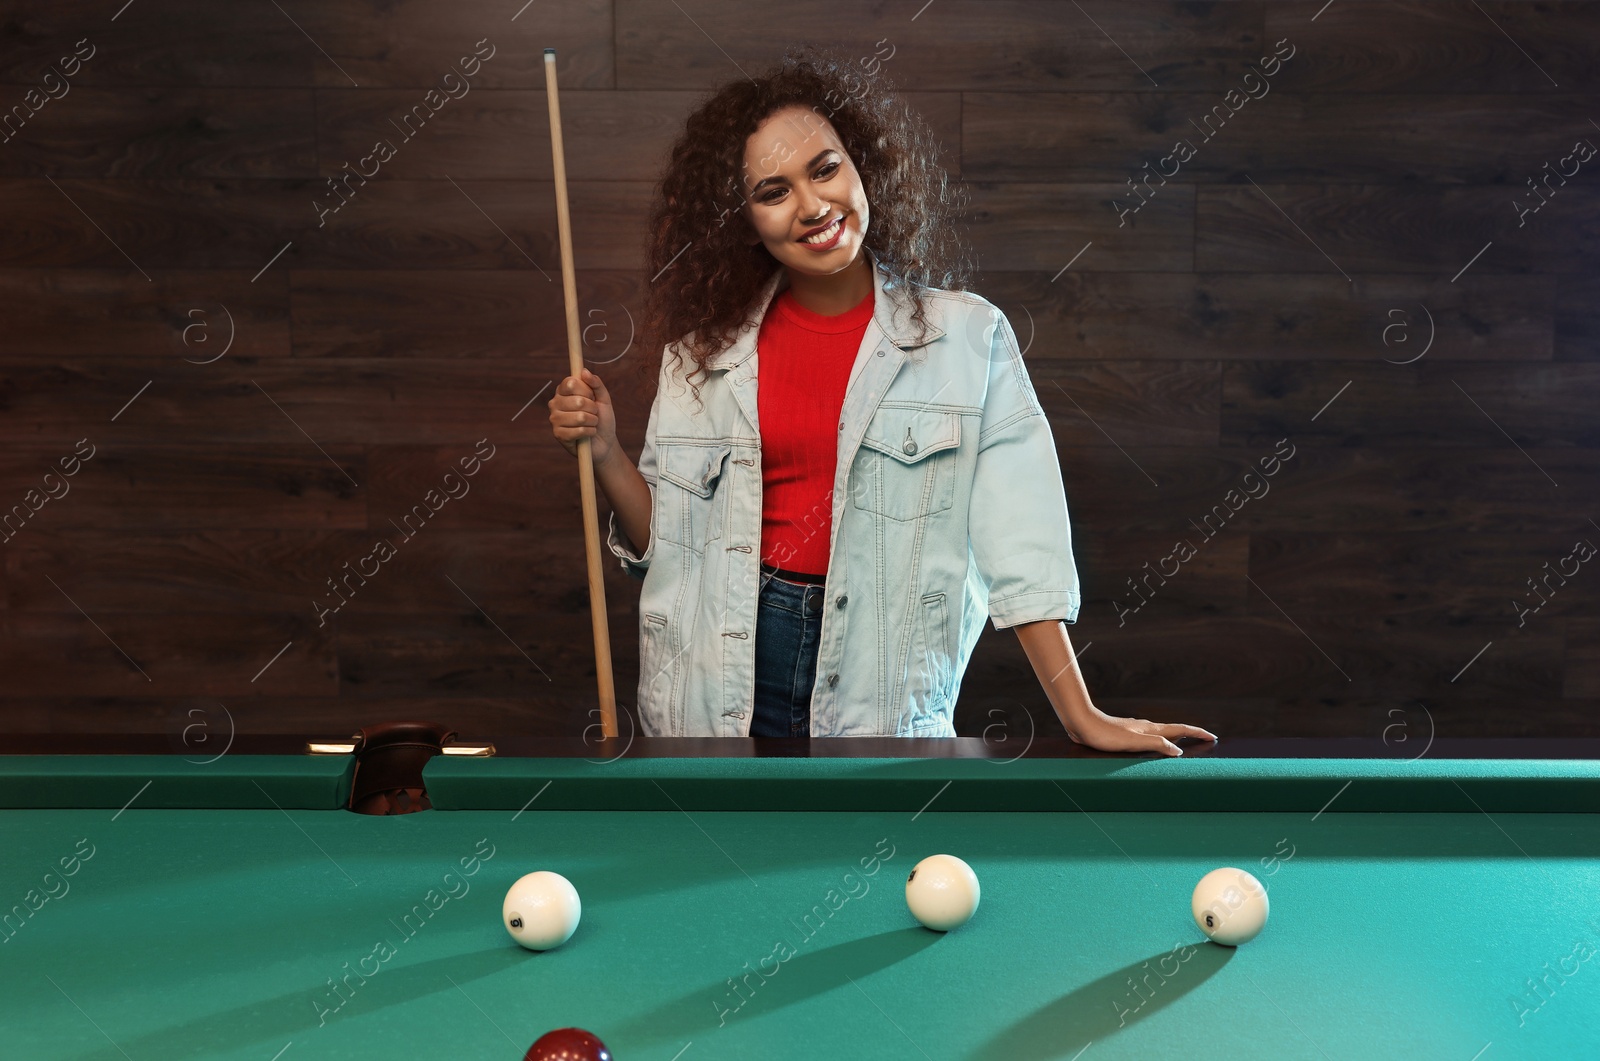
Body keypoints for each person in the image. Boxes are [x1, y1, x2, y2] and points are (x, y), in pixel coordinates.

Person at [549, 48, 1216, 755]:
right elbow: (672, 548)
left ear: (861, 164)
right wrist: (606, 453)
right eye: (773, 192)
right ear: (742, 219)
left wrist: (1080, 714)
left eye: (825, 167)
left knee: (867, 862)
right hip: (716, 683)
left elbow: (1023, 543)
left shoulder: (968, 338)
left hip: (876, 683)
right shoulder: (697, 357)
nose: (812, 206)